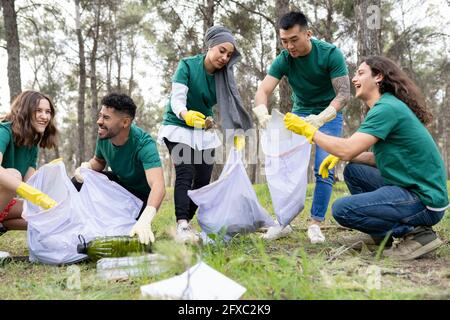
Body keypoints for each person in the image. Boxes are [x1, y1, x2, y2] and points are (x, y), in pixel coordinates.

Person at [283, 56, 448, 260]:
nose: (354, 79)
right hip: (412, 187)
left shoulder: (386, 108)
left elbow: (348, 148)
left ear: (378, 77)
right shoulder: (386, 106)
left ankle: (418, 234)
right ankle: (381, 236)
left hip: (423, 200)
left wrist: (309, 131)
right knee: (354, 170)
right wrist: (343, 157)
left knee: (342, 210)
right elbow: (384, 159)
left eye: (360, 73)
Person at [253, 11, 350, 243]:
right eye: (284, 41)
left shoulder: (330, 54)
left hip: (329, 114)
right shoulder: (284, 59)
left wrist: (323, 117)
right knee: (284, 167)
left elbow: (344, 93)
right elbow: (263, 90)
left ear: (308, 34)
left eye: (294, 40)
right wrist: (261, 111)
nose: (289, 46)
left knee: (323, 168)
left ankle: (315, 223)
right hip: (300, 113)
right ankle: (283, 222)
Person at [158, 25, 253, 243]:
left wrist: (235, 130)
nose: (224, 57)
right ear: (210, 46)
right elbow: (177, 98)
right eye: (221, 50)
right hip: (178, 125)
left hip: (202, 129)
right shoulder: (188, 66)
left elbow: (231, 104)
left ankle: (188, 223)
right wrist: (185, 113)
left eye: (229, 54)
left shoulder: (224, 77)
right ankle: (181, 223)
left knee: (203, 177)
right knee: (185, 171)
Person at [73, 93, 165, 245]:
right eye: (100, 116)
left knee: (121, 233)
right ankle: (73, 224)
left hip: (139, 199)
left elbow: (158, 185)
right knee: (79, 180)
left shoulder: (144, 143)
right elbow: (98, 161)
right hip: (119, 189)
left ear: (125, 122)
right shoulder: (104, 135)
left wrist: (146, 218)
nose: (99, 121)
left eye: (106, 118)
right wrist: (87, 166)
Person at [0, 90, 59, 235]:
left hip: (4, 203)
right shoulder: (4, 130)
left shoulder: (32, 143)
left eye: (48, 112)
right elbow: (24, 186)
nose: (44, 116)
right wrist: (25, 190)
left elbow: (32, 181)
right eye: (38, 111)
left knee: (49, 217)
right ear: (25, 111)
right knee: (13, 175)